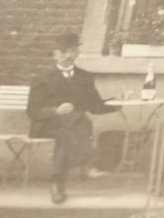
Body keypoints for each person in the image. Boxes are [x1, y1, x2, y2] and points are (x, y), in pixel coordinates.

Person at [27, 31, 119, 204]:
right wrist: (55, 111)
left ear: (77, 53)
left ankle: (57, 184)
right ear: (55, 54)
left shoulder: (85, 77)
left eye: (71, 51)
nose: (67, 56)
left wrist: (119, 102)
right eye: (62, 52)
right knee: (76, 122)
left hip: (71, 129)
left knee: (70, 128)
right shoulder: (42, 78)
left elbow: (95, 106)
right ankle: (89, 162)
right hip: (47, 124)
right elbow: (33, 111)